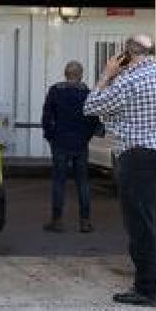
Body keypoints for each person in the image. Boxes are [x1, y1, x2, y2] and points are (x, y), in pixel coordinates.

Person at [83, 34, 156, 307]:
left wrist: (106, 75)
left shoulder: (127, 80)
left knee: (142, 225)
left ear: (126, 54)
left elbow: (90, 106)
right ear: (153, 51)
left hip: (140, 158)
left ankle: (147, 289)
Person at [41, 60, 102, 233]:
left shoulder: (55, 91)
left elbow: (46, 116)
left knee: (59, 182)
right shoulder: (87, 94)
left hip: (60, 142)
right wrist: (86, 138)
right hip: (80, 144)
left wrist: (50, 136)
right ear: (81, 75)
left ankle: (57, 221)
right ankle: (85, 221)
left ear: (65, 74)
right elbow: (94, 120)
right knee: (82, 183)